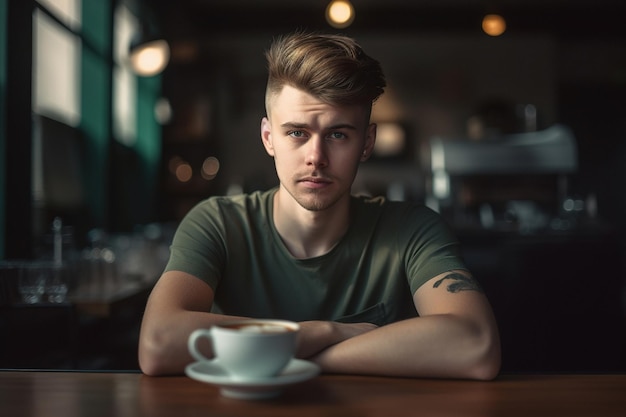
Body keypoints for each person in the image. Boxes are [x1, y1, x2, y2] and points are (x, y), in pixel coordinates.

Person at [138, 31, 501, 380]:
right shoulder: (217, 222)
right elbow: (158, 342)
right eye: (297, 132)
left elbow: (476, 345)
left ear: (367, 142)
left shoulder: (413, 230)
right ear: (269, 137)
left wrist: (305, 355)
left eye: (338, 134)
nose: (317, 157)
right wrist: (326, 332)